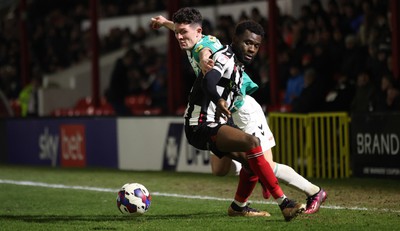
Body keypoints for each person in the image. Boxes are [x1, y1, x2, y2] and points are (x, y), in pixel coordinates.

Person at [151, 7, 326, 215]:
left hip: (242, 109)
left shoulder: (206, 48)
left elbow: (205, 53)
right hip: (220, 112)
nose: (179, 36)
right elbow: (185, 33)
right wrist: (164, 23)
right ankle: (249, 182)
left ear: (198, 32)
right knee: (221, 169)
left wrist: (207, 62)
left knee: (263, 163)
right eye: (177, 32)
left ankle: (313, 192)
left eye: (183, 33)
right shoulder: (192, 38)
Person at [186, 19, 305, 221]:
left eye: (256, 46)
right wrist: (219, 99)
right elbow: (209, 81)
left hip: (216, 124)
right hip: (200, 124)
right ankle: (285, 204)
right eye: (247, 43)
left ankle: (238, 206)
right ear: (235, 39)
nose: (251, 49)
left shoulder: (239, 69)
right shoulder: (224, 57)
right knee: (253, 142)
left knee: (251, 164)